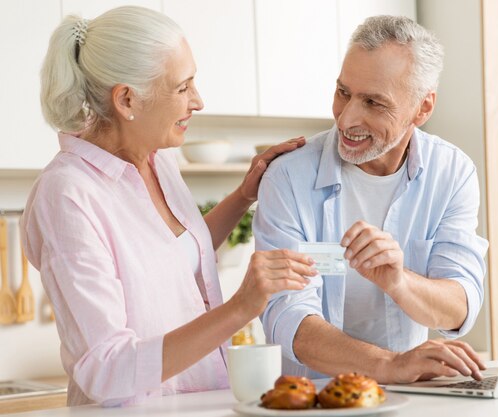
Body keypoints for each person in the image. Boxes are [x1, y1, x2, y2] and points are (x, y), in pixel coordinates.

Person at [20, 6, 316, 407]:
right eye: (183, 87)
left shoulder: (159, 161)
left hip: (205, 402)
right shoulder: (67, 194)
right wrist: (241, 307)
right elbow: (107, 368)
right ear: (127, 99)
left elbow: (172, 256)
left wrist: (243, 194)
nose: (198, 101)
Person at [254, 15, 489, 383]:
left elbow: (459, 307)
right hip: (313, 398)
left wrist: (399, 281)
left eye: (374, 103)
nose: (347, 119)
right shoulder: (288, 178)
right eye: (343, 92)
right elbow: (289, 318)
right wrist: (390, 366)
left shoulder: (452, 173)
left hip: (414, 397)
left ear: (423, 108)